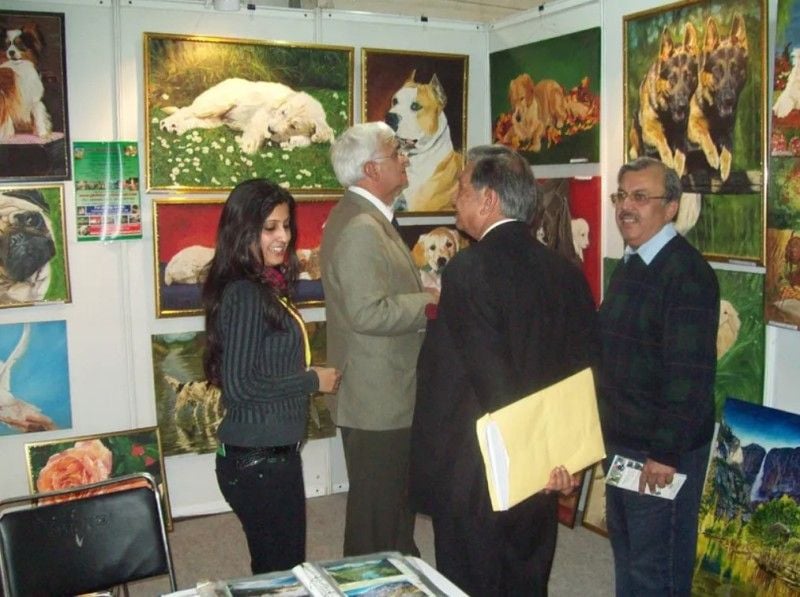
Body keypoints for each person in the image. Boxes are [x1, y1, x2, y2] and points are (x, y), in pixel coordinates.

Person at [409, 144, 598, 596]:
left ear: (488, 199)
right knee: (527, 579)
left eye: (461, 186)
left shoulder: (468, 270)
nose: (454, 196)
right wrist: (562, 460)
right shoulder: (566, 272)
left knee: (470, 581)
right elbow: (585, 371)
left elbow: (490, 375)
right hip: (545, 469)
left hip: (480, 466)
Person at [202, 178, 341, 574]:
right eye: (270, 228)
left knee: (277, 569)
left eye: (286, 225)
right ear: (244, 231)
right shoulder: (246, 293)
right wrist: (312, 380)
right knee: (282, 573)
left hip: (267, 457)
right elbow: (240, 387)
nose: (283, 236)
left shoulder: (264, 286)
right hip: (258, 462)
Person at [598, 157, 719, 596]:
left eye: (641, 197)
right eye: (622, 195)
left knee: (659, 571)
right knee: (629, 558)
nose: (626, 207)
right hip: (624, 446)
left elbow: (688, 376)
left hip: (660, 455)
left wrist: (665, 454)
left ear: (670, 207)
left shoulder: (686, 275)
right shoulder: (630, 266)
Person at [320, 122, 438, 557]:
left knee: (392, 514)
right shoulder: (361, 228)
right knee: (375, 522)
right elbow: (368, 312)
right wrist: (426, 301)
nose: (405, 158)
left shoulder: (368, 219)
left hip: (384, 393)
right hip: (375, 399)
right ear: (371, 168)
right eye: (397, 153)